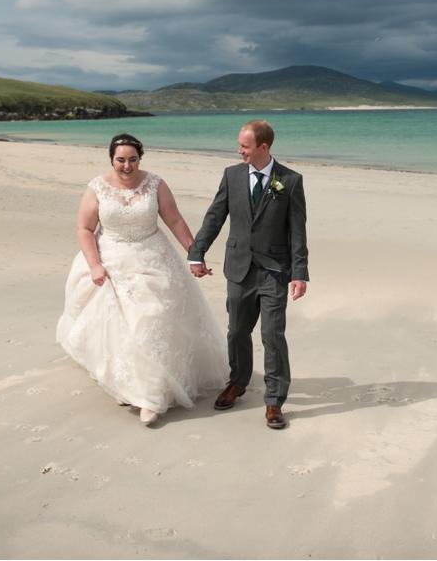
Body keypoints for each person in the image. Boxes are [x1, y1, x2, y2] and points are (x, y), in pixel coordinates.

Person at [57, 133, 229, 426]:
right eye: (121, 160)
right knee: (118, 326)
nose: (127, 166)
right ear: (111, 158)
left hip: (153, 257)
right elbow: (84, 228)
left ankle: (151, 393)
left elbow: (174, 220)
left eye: (133, 160)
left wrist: (194, 253)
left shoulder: (155, 184)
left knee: (154, 318)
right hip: (110, 258)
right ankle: (141, 393)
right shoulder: (97, 187)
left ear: (141, 158)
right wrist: (95, 265)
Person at [188, 119, 311, 430]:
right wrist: (196, 252)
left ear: (263, 147)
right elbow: (215, 216)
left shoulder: (290, 181)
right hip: (239, 268)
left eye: (244, 146)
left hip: (274, 271)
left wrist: (300, 273)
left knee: (272, 336)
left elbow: (298, 231)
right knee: (237, 331)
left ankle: (274, 400)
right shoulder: (232, 176)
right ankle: (238, 382)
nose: (239, 150)